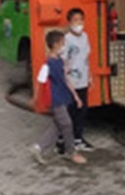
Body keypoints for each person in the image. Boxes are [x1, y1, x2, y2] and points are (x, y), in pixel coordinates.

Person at [29, 30, 87, 165]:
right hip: (56, 99)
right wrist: (35, 98)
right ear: (55, 45)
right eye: (62, 43)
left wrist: (76, 96)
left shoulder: (61, 61)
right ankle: (71, 152)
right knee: (66, 124)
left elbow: (67, 80)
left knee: (58, 126)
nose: (64, 46)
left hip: (63, 97)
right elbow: (40, 82)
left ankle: (38, 147)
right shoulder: (47, 64)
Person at [64, 8, 94, 152]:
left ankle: (78, 138)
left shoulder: (85, 37)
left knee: (82, 110)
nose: (79, 23)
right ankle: (67, 139)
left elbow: (86, 58)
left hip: (83, 80)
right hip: (71, 82)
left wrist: (90, 76)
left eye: (81, 19)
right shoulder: (67, 39)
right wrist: (66, 79)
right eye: (75, 20)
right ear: (69, 22)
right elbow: (64, 61)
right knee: (71, 111)